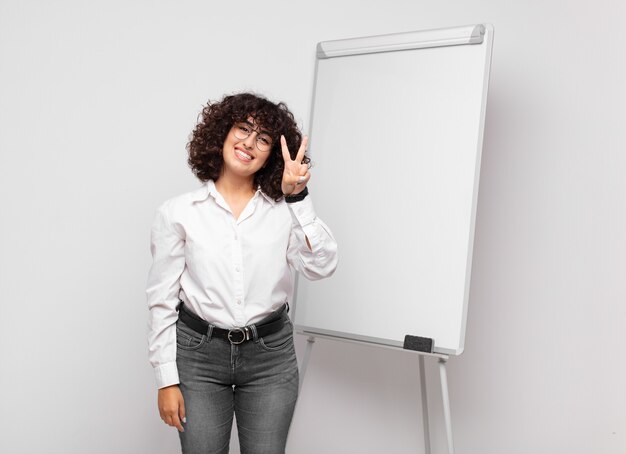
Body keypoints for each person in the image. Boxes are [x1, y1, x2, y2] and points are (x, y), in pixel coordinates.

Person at [146, 92, 338, 454]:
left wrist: (298, 198)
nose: (249, 142)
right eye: (243, 129)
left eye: (263, 138)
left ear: (271, 155)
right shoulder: (178, 213)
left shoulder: (284, 211)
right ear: (222, 132)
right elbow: (161, 301)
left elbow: (322, 265)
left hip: (270, 355)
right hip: (198, 355)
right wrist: (166, 380)